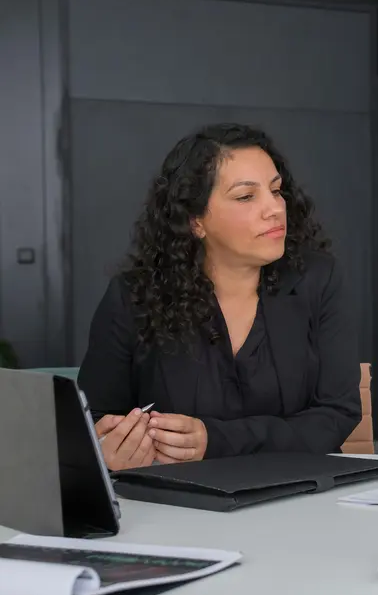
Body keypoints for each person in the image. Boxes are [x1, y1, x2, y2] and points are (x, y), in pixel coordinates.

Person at [78, 123, 361, 471]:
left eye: (276, 191)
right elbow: (95, 420)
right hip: (178, 505)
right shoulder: (134, 296)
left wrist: (215, 440)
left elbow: (337, 414)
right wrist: (108, 447)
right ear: (195, 221)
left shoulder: (318, 280)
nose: (274, 208)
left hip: (300, 492)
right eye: (246, 196)